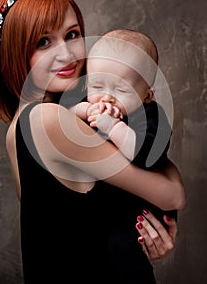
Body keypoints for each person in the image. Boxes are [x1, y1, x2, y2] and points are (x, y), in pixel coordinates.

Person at [0, 0, 185, 283]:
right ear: (16, 50)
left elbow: (91, 225)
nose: (67, 54)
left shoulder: (24, 127)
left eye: (72, 35)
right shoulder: (47, 120)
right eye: (43, 42)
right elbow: (172, 194)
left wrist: (146, 238)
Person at [70, 29, 178, 282]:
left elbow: (146, 154)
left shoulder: (152, 116)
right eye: (97, 85)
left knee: (127, 268)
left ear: (146, 96)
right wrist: (85, 109)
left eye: (121, 90)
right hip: (94, 219)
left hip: (130, 221)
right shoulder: (87, 102)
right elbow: (61, 112)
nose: (107, 97)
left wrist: (114, 127)